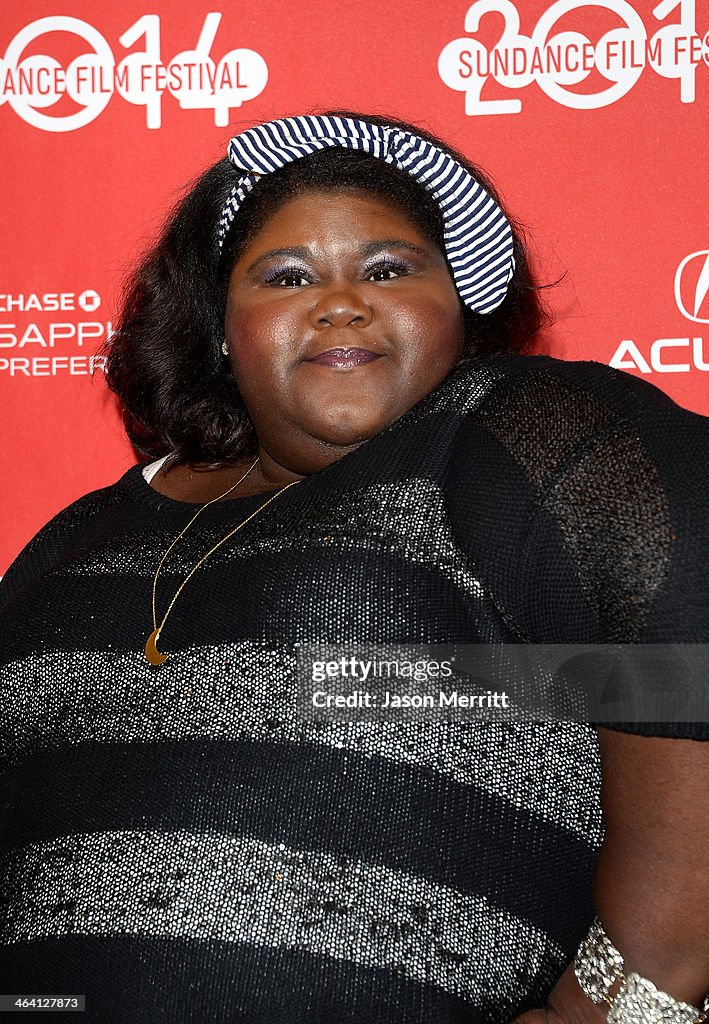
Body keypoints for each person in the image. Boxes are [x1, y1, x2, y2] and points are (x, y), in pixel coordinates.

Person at [0, 112, 707, 1024]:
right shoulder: (82, 531)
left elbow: (687, 644)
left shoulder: (507, 437)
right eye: (285, 276)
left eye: (388, 270)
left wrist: (628, 998)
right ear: (221, 328)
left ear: (460, 308)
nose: (340, 302)